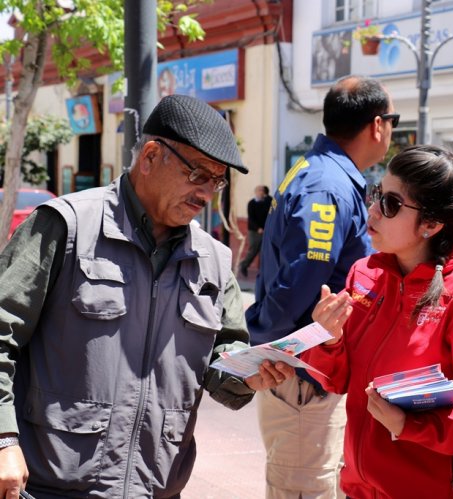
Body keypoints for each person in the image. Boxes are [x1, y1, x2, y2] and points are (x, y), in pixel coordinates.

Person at [0, 94, 292, 499]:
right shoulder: (66, 227)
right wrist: (3, 439)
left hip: (154, 489)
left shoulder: (213, 260)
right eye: (198, 174)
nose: (208, 192)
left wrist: (251, 375)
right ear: (151, 156)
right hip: (51, 487)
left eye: (218, 180)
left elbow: (222, 365)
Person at [304, 145, 453, 498]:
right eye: (376, 194)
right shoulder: (366, 275)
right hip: (360, 489)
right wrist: (328, 340)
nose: (372, 210)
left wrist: (410, 425)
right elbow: (337, 380)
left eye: (390, 204)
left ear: (432, 224)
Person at [245, 75, 396, 498]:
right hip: (306, 373)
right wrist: (274, 347)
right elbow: (300, 282)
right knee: (305, 488)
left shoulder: (320, 172)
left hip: (307, 369)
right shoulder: (329, 184)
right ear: (378, 125)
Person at [239, 184, 272, 277]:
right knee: (253, 250)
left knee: (264, 251)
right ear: (256, 192)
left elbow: (272, 204)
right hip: (254, 231)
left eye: (263, 190)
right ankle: (244, 265)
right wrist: (258, 228)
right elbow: (251, 218)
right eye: (259, 190)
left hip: (265, 231)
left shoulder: (268, 201)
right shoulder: (252, 203)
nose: (261, 192)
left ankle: (263, 271)